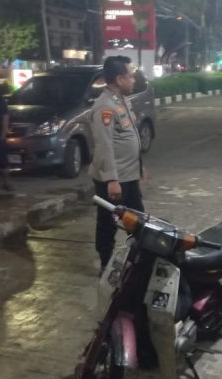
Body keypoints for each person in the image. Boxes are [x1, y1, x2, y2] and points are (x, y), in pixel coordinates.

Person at [89, 56, 144, 269]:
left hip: (128, 175)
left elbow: (128, 136)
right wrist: (112, 179)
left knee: (137, 221)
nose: (134, 80)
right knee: (108, 222)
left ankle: (139, 261)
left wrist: (139, 166)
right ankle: (106, 263)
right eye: (131, 76)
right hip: (114, 179)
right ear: (120, 79)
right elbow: (104, 145)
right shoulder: (105, 106)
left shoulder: (121, 100)